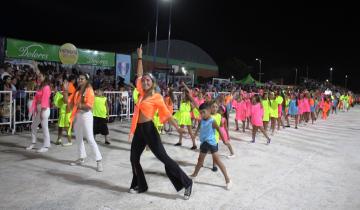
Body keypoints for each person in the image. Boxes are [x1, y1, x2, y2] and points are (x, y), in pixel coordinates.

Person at [128, 46, 193, 200]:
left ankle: (187, 182)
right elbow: (139, 74)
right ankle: (140, 185)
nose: (144, 82)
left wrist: (177, 128)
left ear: (153, 83)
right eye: (143, 80)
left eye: (147, 80)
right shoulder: (141, 93)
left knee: (164, 158)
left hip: (149, 129)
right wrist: (140, 57)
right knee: (133, 158)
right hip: (139, 129)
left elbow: (166, 114)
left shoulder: (156, 96)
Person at [63, 73, 103, 172]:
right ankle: (81, 158)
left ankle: (99, 160)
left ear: (86, 80)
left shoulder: (89, 90)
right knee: (78, 138)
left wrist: (78, 105)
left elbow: (89, 106)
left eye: (82, 79)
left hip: (86, 116)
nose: (79, 80)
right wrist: (65, 90)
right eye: (79, 78)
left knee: (90, 138)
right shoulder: (77, 91)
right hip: (77, 115)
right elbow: (68, 103)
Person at [191, 102, 232, 190]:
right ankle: (194, 175)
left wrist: (224, 140)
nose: (202, 114)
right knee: (200, 161)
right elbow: (199, 127)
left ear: (209, 111)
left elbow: (219, 130)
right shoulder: (202, 120)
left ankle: (228, 180)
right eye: (200, 112)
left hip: (212, 143)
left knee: (217, 161)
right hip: (204, 143)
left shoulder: (212, 121)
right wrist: (194, 134)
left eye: (203, 112)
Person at [26, 63, 51, 153]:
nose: (39, 78)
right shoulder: (41, 86)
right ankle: (33, 142)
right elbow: (37, 73)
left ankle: (46, 146)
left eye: (40, 76)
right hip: (40, 109)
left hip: (44, 110)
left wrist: (41, 111)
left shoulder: (46, 87)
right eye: (38, 77)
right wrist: (35, 67)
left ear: (44, 77)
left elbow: (44, 100)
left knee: (45, 128)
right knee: (33, 126)